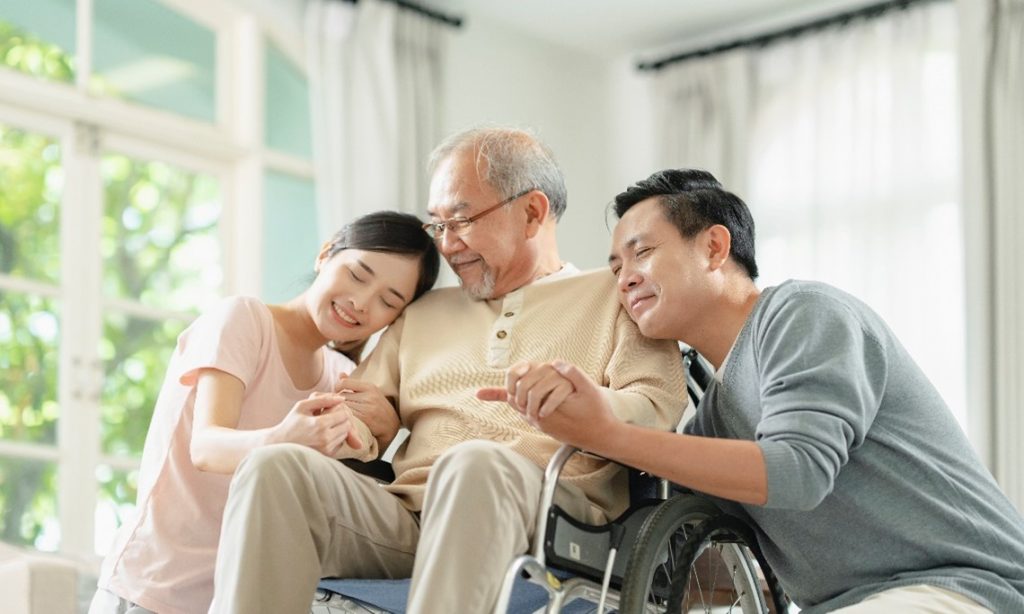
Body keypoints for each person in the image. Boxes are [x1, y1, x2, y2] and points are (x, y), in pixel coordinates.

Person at [484, 168, 1024, 613]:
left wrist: (608, 433)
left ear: (715, 247)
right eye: (615, 267)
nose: (623, 279)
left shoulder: (804, 315)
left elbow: (796, 473)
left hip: (966, 587)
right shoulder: (711, 425)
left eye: (641, 252)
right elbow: (714, 567)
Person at [207, 127, 687, 614]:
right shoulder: (421, 314)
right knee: (276, 467)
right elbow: (360, 411)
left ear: (532, 213)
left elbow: (656, 408)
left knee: (473, 462)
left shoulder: (617, 293)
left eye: (460, 220)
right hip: (409, 515)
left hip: (549, 515)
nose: (447, 244)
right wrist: (348, 425)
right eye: (438, 225)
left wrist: (591, 403)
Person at [89, 211, 440, 614]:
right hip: (152, 591)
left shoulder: (343, 377)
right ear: (325, 254)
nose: (361, 302)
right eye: (358, 275)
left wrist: (386, 431)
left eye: (388, 301)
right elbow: (205, 447)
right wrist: (283, 438)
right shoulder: (243, 320)